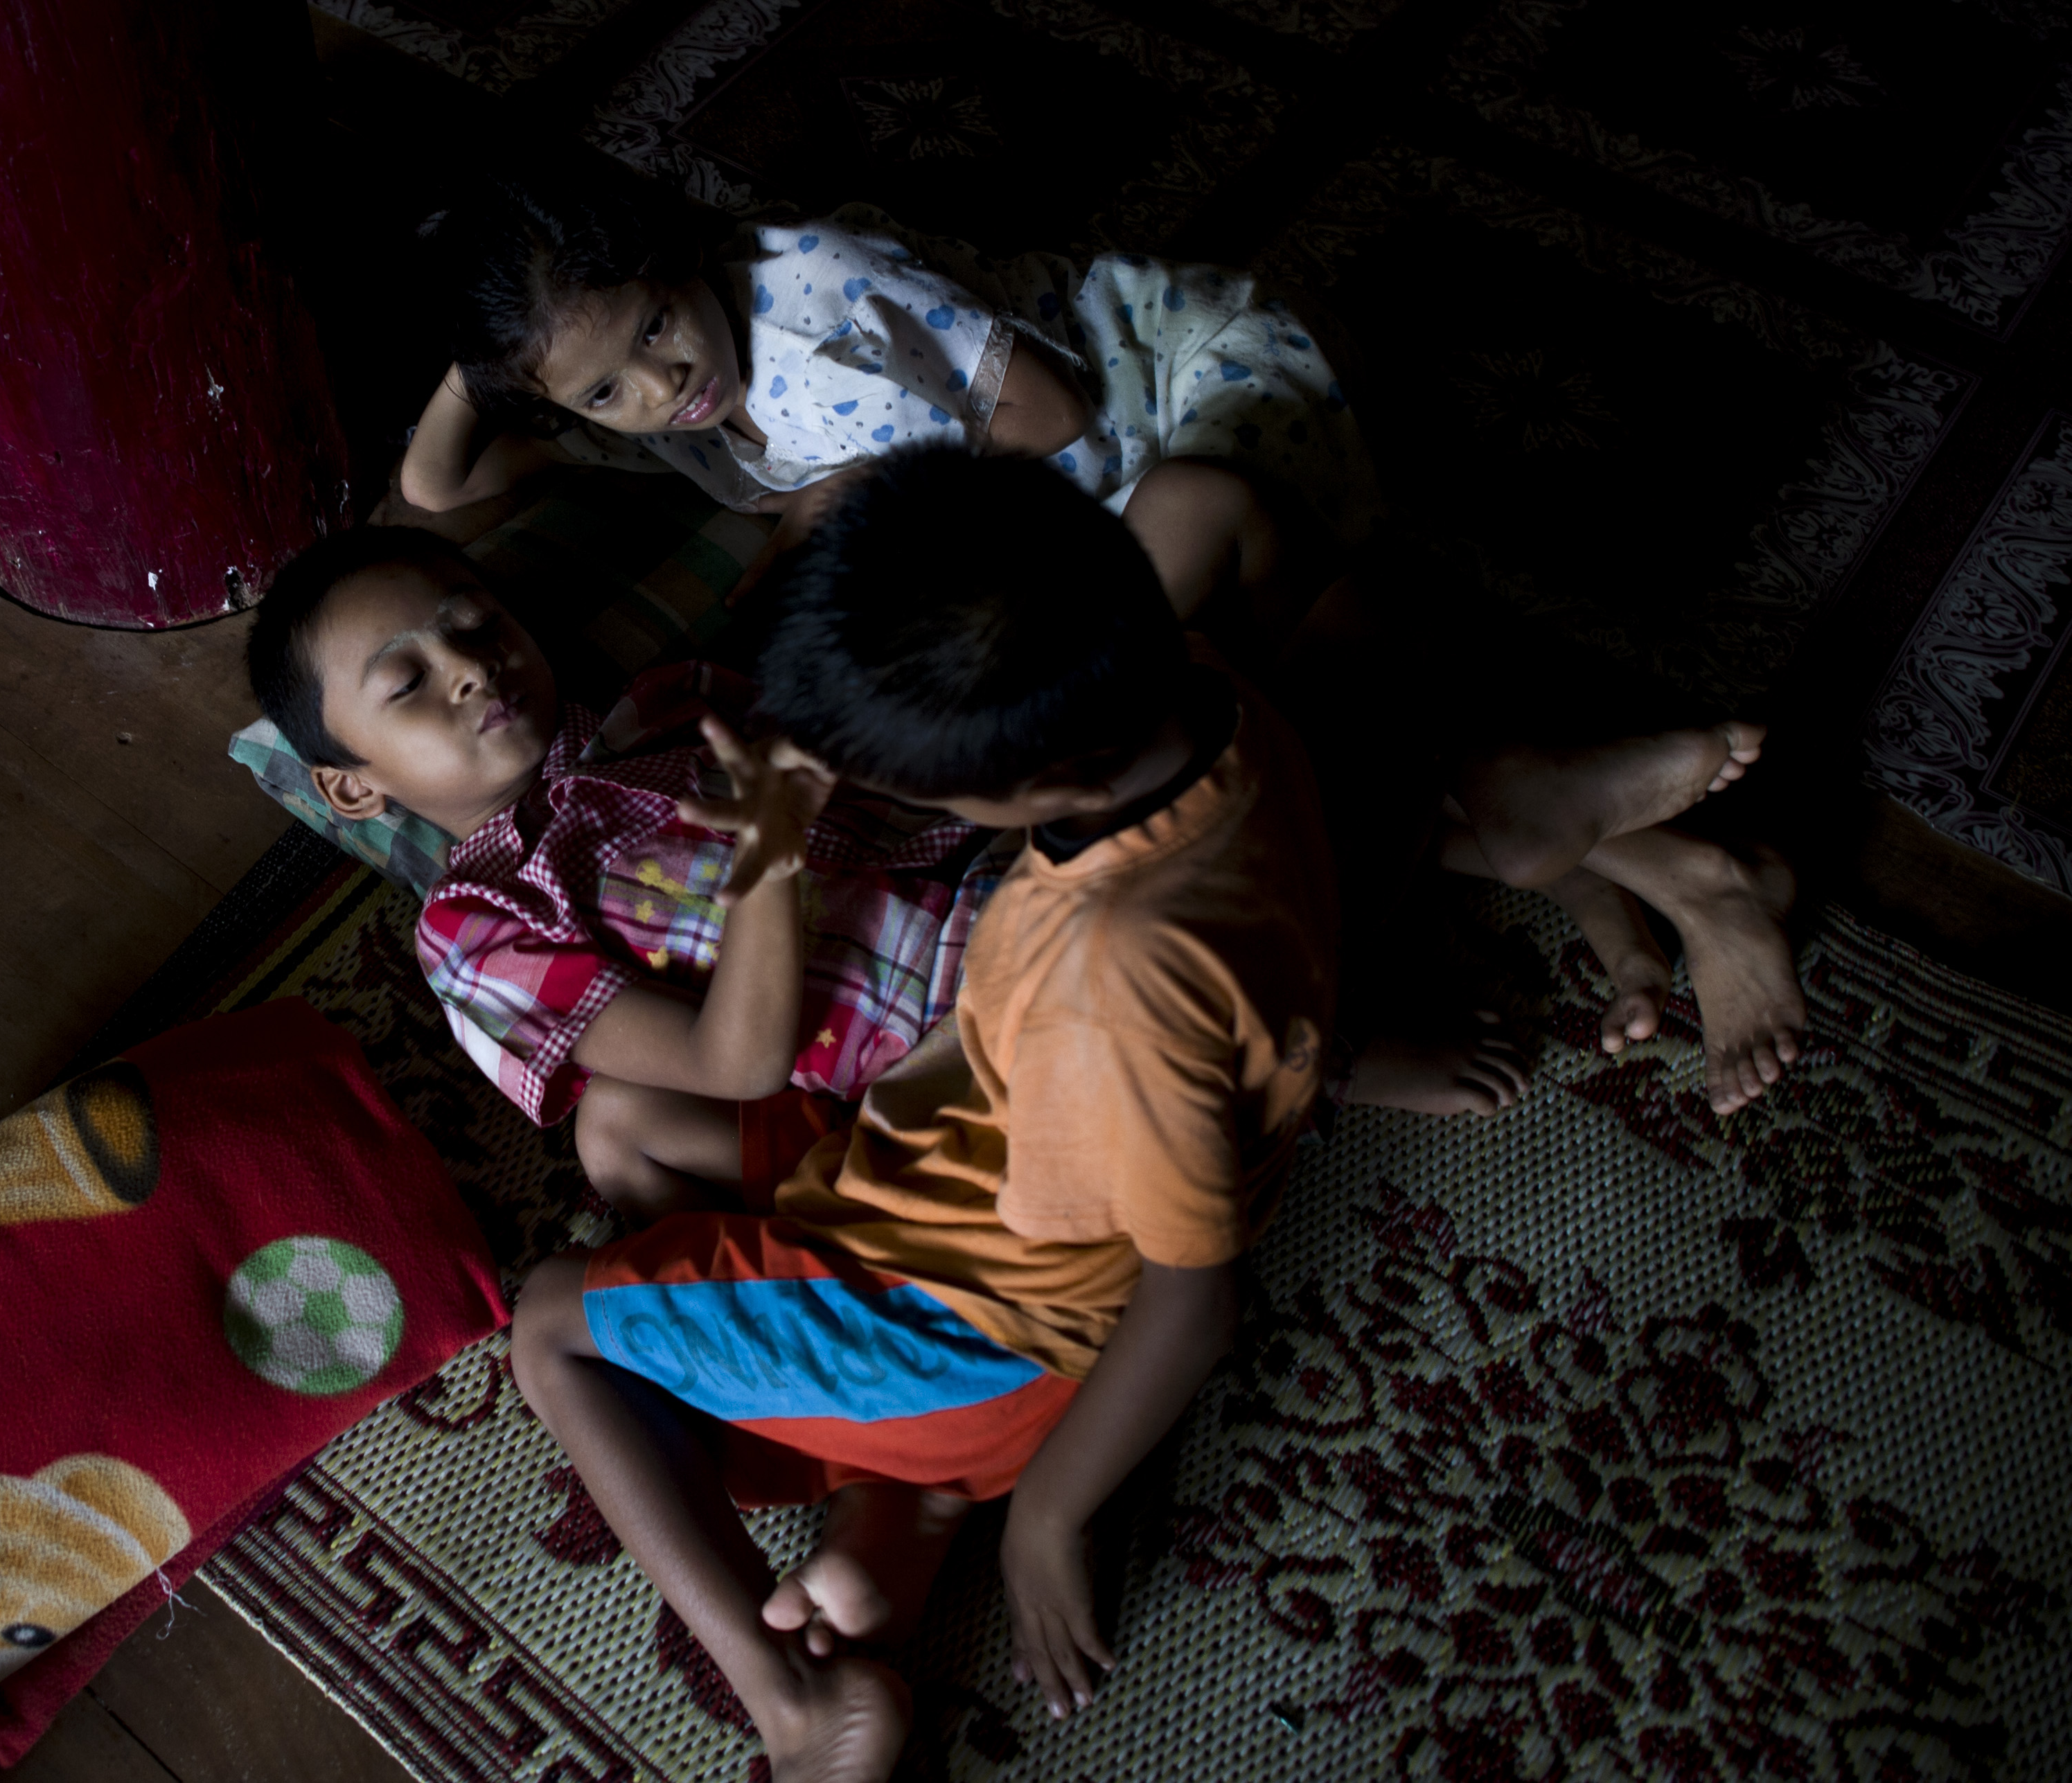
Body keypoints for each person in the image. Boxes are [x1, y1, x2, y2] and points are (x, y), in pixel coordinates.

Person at [499, 449, 1804, 1781]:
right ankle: (898, 1501)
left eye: (919, 794)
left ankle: (796, 1689)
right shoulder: (1193, 690)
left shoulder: (1106, 980)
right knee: (623, 1123)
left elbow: (1186, 1297)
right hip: (955, 1187)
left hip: (975, 1331)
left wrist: (1050, 1522)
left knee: (551, 1323)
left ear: (1039, 792)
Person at [243, 522, 1011, 1218]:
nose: (470, 666)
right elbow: (732, 1062)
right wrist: (767, 858)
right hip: (933, 1047)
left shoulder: (669, 704)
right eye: (407, 682)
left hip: (999, 876)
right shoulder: (475, 926)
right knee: (611, 1118)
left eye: (477, 624)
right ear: (351, 785)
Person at [393, 168, 1372, 637]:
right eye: (607, 389)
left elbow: (1054, 416)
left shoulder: (819, 292)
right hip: (1066, 493)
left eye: (657, 325)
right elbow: (437, 483)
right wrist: (488, 360)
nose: (666, 385)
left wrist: (860, 490)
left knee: (1153, 654)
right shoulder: (651, 421)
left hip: (1159, 374)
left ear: (679, 256)